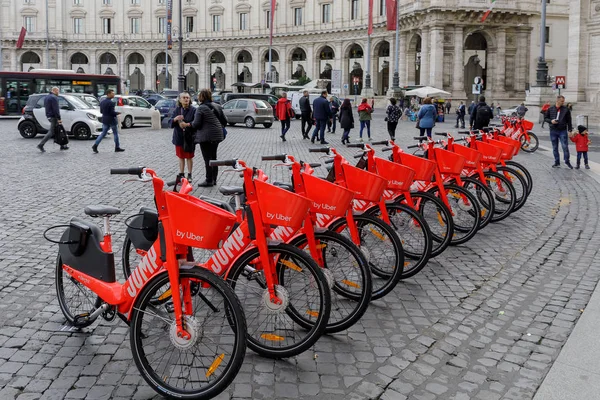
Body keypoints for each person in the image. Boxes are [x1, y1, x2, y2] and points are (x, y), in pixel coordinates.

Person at [192, 89, 227, 187]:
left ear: (201, 97)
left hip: (206, 137)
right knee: (214, 157)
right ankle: (214, 179)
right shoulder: (217, 106)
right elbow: (225, 121)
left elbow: (196, 124)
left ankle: (209, 180)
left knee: (207, 159)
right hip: (217, 135)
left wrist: (188, 125)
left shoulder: (201, 108)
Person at [171, 92, 196, 182]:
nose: (186, 99)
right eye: (184, 98)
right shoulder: (177, 110)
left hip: (189, 137)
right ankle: (181, 174)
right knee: (181, 157)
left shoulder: (193, 110)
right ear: (180, 100)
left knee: (189, 157)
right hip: (179, 137)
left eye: (188, 98)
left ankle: (189, 174)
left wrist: (187, 125)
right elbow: (170, 121)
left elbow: (196, 123)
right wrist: (175, 119)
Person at [544, 95, 573, 168]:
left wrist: (570, 130)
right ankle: (557, 162)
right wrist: (551, 121)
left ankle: (567, 161)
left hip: (562, 130)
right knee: (555, 147)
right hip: (553, 130)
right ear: (557, 101)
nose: (563, 102)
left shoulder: (566, 109)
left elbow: (569, 121)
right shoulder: (550, 109)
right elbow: (545, 118)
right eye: (562, 101)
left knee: (565, 146)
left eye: (563, 101)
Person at [93, 89, 124, 153]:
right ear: (108, 94)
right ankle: (117, 147)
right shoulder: (111, 102)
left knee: (103, 133)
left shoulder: (102, 102)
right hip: (111, 119)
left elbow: (101, 111)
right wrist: (117, 113)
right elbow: (112, 112)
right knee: (115, 133)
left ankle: (95, 145)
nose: (113, 94)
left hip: (105, 119)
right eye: (112, 93)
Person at [38, 87, 68, 152]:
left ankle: (62, 145)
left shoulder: (47, 97)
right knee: (52, 132)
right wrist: (59, 118)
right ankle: (41, 144)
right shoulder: (54, 98)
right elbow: (56, 109)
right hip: (54, 117)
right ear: (54, 91)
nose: (58, 92)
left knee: (57, 130)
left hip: (49, 116)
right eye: (58, 91)